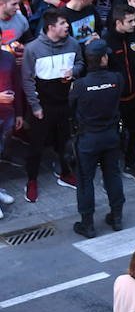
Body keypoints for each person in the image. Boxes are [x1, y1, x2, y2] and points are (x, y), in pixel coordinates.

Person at [68, 40, 126, 236]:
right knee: (113, 174)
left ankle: (88, 224)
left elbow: (71, 109)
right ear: (103, 58)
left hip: (88, 138)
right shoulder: (116, 79)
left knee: (85, 180)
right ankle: (117, 217)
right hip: (111, 135)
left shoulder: (80, 85)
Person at [22, 13, 80, 202]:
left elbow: (80, 63)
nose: (67, 27)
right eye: (63, 23)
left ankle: (64, 173)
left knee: (64, 142)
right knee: (36, 146)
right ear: (50, 27)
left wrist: (74, 71)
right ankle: (31, 180)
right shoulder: (32, 49)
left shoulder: (73, 43)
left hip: (65, 104)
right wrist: (35, 106)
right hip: (43, 107)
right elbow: (27, 80)